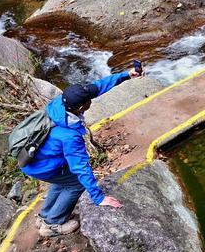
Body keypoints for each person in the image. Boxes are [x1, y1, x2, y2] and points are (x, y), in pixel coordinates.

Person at [23, 64, 142, 236]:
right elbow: (81, 167)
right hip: (38, 165)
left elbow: (98, 87)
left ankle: (45, 217)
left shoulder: (62, 103)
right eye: (88, 102)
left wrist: (126, 75)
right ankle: (53, 224)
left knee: (64, 179)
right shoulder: (69, 136)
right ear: (80, 108)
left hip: (35, 157)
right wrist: (99, 198)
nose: (91, 101)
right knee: (76, 183)